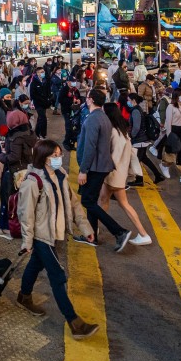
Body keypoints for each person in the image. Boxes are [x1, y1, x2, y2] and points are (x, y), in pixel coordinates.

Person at [15, 139, 99, 339]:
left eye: (59, 154)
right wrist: (27, 242)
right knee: (57, 276)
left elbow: (74, 203)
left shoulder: (60, 175)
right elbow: (25, 215)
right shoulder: (33, 181)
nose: (59, 158)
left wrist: (85, 227)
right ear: (43, 158)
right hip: (42, 236)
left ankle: (24, 296)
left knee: (35, 265)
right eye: (54, 156)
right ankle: (75, 323)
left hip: (57, 234)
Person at [76, 90, 132, 251]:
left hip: (94, 167)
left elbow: (90, 146)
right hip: (100, 166)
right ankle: (91, 235)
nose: (86, 100)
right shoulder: (103, 117)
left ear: (91, 100)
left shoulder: (94, 119)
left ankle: (119, 231)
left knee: (87, 201)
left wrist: (83, 170)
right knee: (91, 201)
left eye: (87, 97)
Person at [101, 103, 152, 244]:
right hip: (119, 173)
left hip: (113, 174)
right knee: (104, 201)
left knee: (122, 204)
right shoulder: (122, 131)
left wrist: (105, 170)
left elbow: (114, 156)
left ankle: (143, 234)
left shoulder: (113, 132)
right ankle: (94, 229)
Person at [0, 108, 36, 239]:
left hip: (13, 172)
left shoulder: (15, 137)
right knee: (21, 201)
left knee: (7, 200)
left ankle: (7, 228)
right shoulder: (29, 133)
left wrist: (1, 157)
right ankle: (20, 225)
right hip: (27, 170)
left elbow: (14, 156)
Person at [126, 93, 163, 185]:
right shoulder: (137, 109)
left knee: (136, 160)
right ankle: (158, 175)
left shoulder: (135, 111)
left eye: (128, 100)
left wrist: (131, 136)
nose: (128, 102)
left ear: (133, 100)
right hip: (141, 139)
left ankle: (139, 180)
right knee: (143, 158)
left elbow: (136, 127)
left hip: (139, 140)